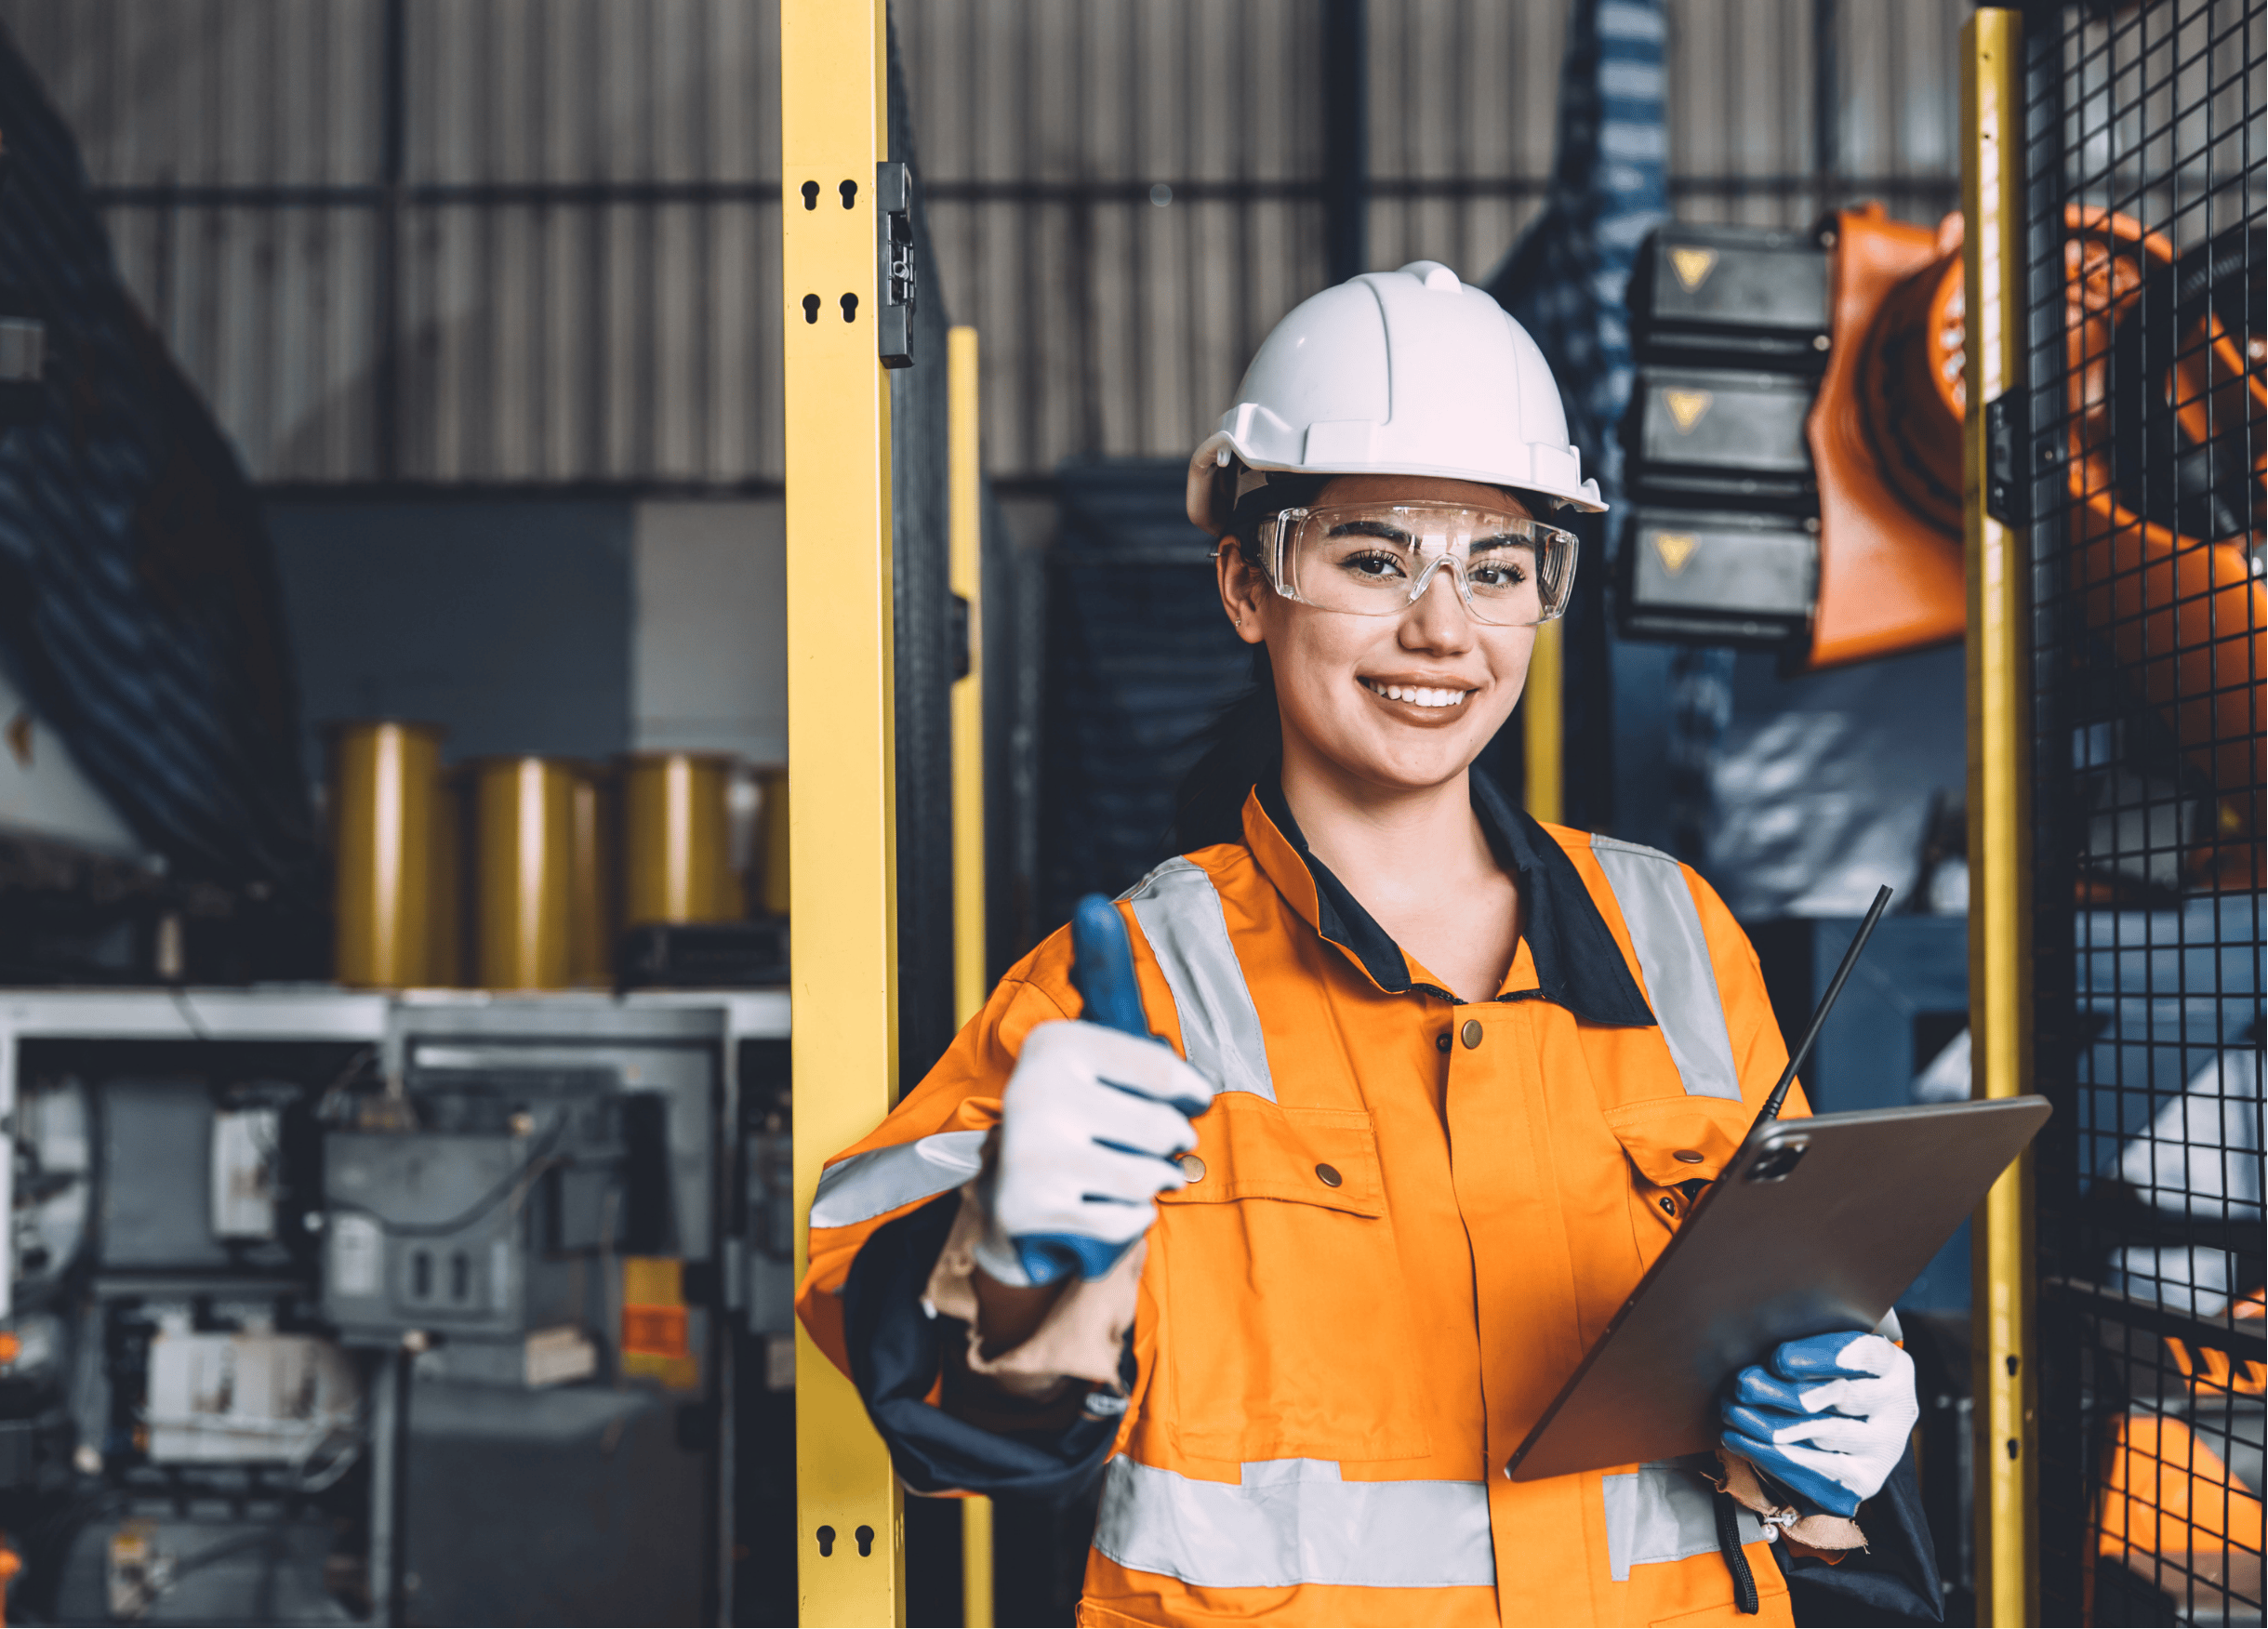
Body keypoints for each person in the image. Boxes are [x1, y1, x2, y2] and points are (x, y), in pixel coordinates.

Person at [798, 262, 1939, 1626]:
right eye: (1374, 558)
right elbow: (921, 1375)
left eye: (1499, 568)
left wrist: (1833, 1453)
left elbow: (1784, 1308)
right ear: (1246, 584)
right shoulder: (1126, 993)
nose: (1443, 627)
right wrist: (1002, 1248)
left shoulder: (1675, 938)